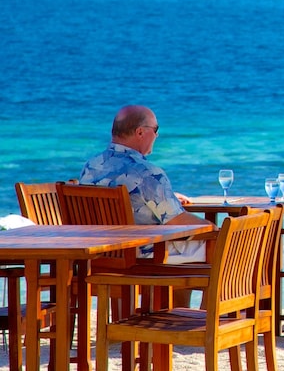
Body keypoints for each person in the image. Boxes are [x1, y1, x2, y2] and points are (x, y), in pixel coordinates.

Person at [80, 105, 215, 267]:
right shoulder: (147, 174)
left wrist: (165, 196)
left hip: (98, 255)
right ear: (140, 132)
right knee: (227, 245)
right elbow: (179, 221)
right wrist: (216, 229)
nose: (157, 135)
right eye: (155, 129)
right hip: (143, 255)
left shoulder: (90, 167)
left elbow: (122, 196)